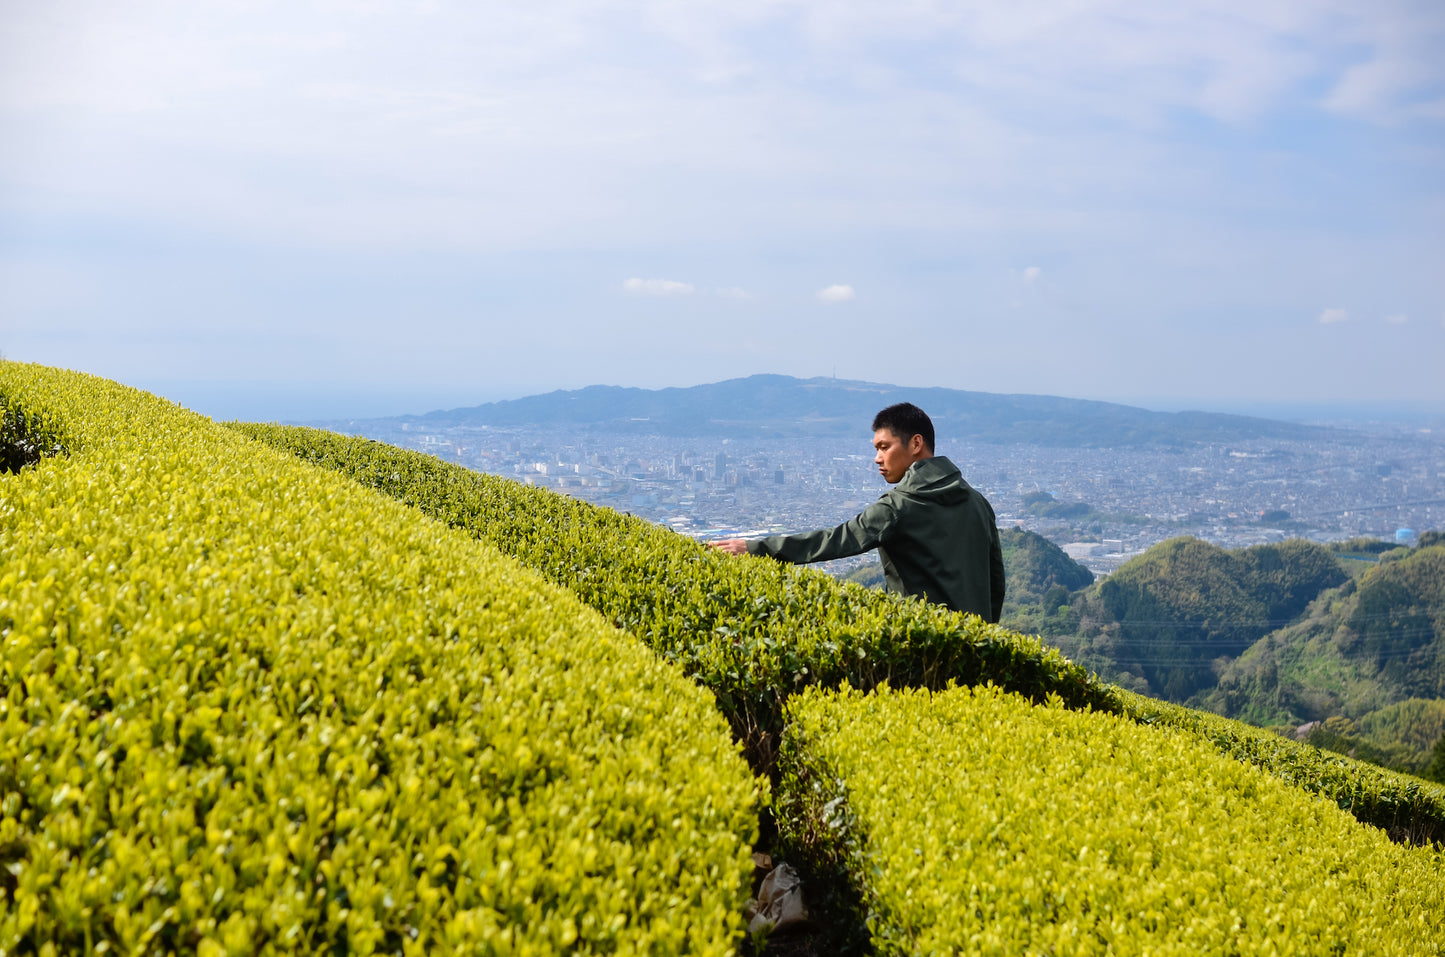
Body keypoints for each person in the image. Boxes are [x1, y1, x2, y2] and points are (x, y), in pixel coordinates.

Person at [710, 402, 1005, 622]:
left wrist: (752, 548)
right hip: (975, 644)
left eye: (883, 447)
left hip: (925, 643)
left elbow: (834, 540)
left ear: (916, 443)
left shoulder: (899, 507)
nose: (877, 458)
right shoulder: (978, 502)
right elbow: (996, 582)